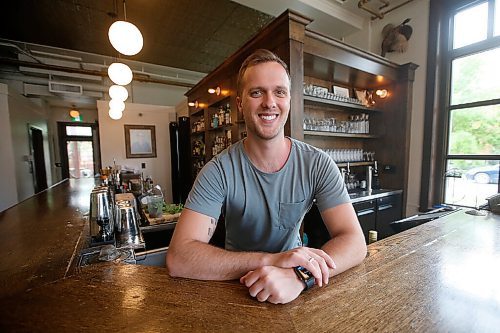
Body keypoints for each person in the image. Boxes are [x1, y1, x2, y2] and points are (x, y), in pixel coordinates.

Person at [167, 49, 367, 304]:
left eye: (279, 92)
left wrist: (299, 276)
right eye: (256, 92)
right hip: (236, 288)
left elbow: (354, 241)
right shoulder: (217, 171)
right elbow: (179, 258)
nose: (269, 102)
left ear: (289, 100)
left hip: (295, 288)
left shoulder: (317, 164)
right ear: (240, 104)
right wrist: (272, 260)